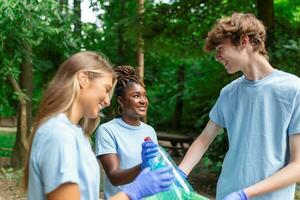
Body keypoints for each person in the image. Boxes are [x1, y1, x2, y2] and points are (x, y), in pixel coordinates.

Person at [176, 12, 300, 200]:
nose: (217, 57)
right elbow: (203, 141)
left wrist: (245, 194)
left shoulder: (294, 89)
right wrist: (178, 175)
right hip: (227, 195)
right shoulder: (228, 93)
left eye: (220, 48)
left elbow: (297, 166)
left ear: (244, 41)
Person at [24, 51, 174, 200]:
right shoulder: (58, 134)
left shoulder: (76, 134)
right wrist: (132, 193)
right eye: (106, 89)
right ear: (83, 79)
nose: (107, 101)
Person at [95, 65, 159, 199]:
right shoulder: (107, 130)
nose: (143, 101)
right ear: (121, 101)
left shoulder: (149, 131)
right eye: (136, 96)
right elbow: (114, 177)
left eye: (144, 96)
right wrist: (142, 166)